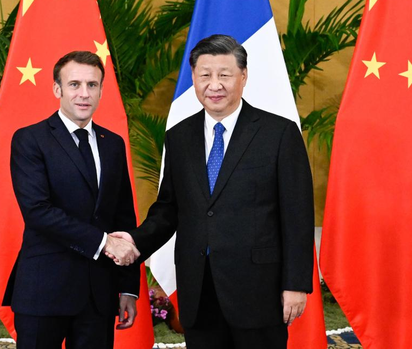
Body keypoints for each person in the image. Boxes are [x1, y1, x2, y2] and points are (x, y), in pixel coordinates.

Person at [109, 35, 314, 348]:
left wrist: (296, 284)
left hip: (258, 291)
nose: (214, 84)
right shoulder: (179, 137)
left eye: (224, 75)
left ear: (243, 77)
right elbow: (169, 209)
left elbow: (297, 215)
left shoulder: (279, 133)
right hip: (198, 290)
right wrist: (137, 241)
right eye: (205, 75)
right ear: (193, 78)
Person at [3, 51, 141, 349]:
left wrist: (128, 288)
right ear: (57, 89)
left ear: (101, 90)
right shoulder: (30, 139)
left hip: (98, 295)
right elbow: (38, 212)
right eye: (74, 84)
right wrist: (105, 243)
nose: (84, 93)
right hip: (44, 291)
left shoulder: (113, 144)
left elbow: (124, 219)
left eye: (92, 85)